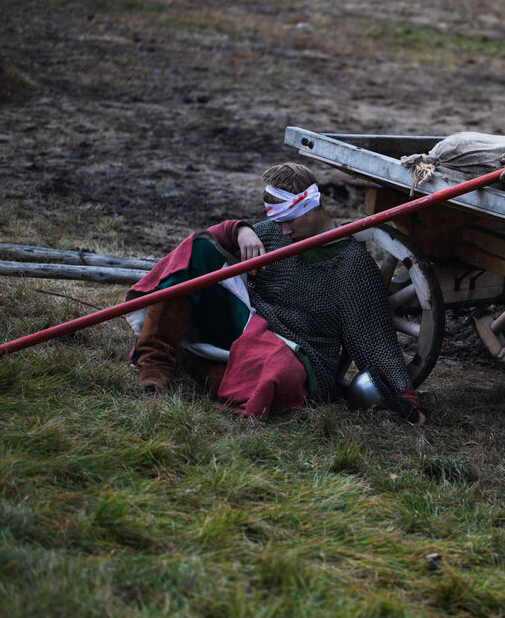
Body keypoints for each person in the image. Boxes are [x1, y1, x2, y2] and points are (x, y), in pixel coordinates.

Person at [126, 162, 425, 424]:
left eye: (288, 221)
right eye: (278, 222)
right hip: (250, 324)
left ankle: (192, 363)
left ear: (312, 205)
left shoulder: (352, 266)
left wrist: (403, 396)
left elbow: (373, 338)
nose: (282, 231)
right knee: (199, 247)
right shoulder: (272, 232)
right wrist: (238, 230)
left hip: (300, 352)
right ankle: (155, 363)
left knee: (278, 373)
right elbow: (211, 248)